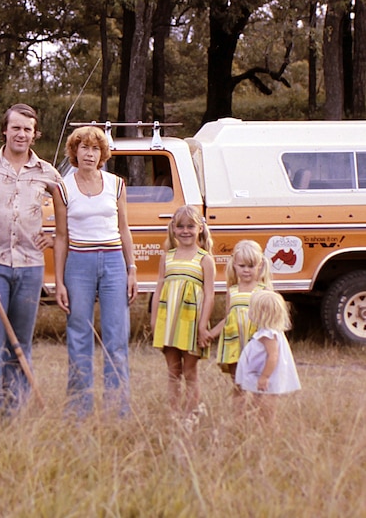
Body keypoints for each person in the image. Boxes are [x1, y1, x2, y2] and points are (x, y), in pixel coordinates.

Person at [0, 103, 68, 416]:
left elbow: (64, 221)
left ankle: (13, 411)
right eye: (16, 127)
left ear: (35, 135)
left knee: (21, 343)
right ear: (4, 130)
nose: (21, 134)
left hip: (31, 266)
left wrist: (55, 237)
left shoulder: (48, 172)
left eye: (27, 129)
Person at [58, 125, 137, 419]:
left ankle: (118, 411)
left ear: (102, 154)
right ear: (74, 152)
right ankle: (79, 409)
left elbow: (124, 228)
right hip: (78, 262)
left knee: (116, 338)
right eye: (83, 148)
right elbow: (61, 236)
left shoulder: (116, 184)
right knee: (79, 334)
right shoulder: (63, 187)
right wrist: (59, 281)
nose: (89, 154)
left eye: (94, 149)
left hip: (114, 261)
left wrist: (131, 269)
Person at [150, 204, 215, 421]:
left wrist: (203, 325)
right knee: (173, 372)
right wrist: (154, 318)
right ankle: (174, 414)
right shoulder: (167, 257)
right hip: (168, 321)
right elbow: (159, 286)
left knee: (190, 372)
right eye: (180, 227)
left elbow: (209, 294)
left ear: (200, 229)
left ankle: (191, 414)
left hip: (191, 323)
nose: (185, 231)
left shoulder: (204, 259)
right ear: (173, 229)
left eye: (190, 226)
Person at [209, 239, 273, 408]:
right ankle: (238, 422)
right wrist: (210, 334)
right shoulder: (232, 291)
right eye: (242, 265)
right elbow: (228, 318)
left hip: (256, 346)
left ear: (260, 266)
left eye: (251, 266)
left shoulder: (263, 291)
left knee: (259, 386)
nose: (246, 270)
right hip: (235, 344)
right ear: (234, 266)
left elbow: (271, 322)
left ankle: (261, 421)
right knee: (238, 384)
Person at [235, 289, 301, 421]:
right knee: (257, 402)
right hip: (260, 374)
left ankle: (269, 429)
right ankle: (261, 426)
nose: (249, 312)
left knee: (266, 407)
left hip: (267, 377)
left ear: (261, 314)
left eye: (252, 309)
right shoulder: (268, 332)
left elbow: (273, 356)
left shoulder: (268, 335)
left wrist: (264, 377)